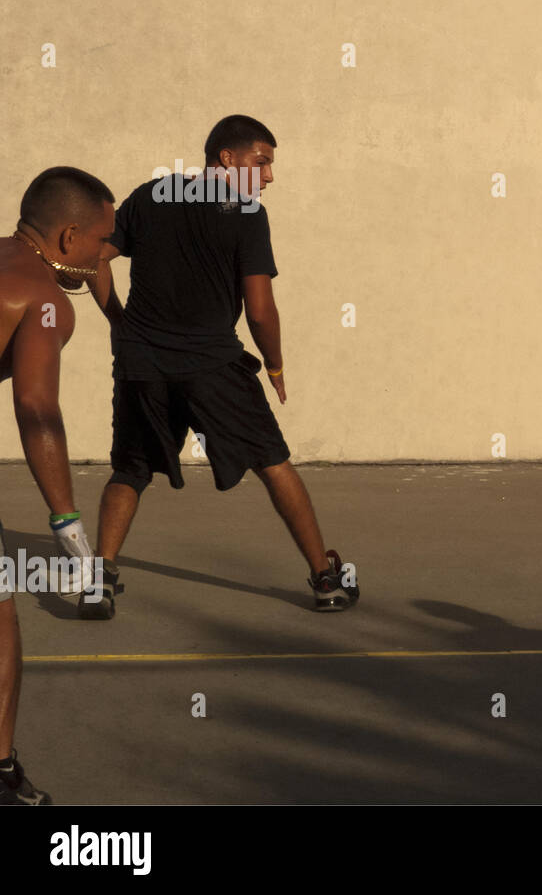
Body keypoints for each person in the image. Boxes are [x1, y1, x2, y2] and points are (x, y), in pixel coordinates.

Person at [80, 114, 358, 618]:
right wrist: (275, 365)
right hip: (213, 365)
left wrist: (119, 322)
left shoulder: (151, 194)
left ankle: (98, 581)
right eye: (263, 161)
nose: (269, 175)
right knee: (272, 461)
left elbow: (97, 258)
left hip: (141, 364)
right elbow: (259, 309)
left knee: (131, 468)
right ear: (227, 159)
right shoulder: (247, 211)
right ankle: (326, 579)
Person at [0, 166, 119, 804]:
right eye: (102, 244)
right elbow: (37, 410)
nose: (105, 257)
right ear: (70, 235)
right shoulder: (43, 297)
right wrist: (71, 535)